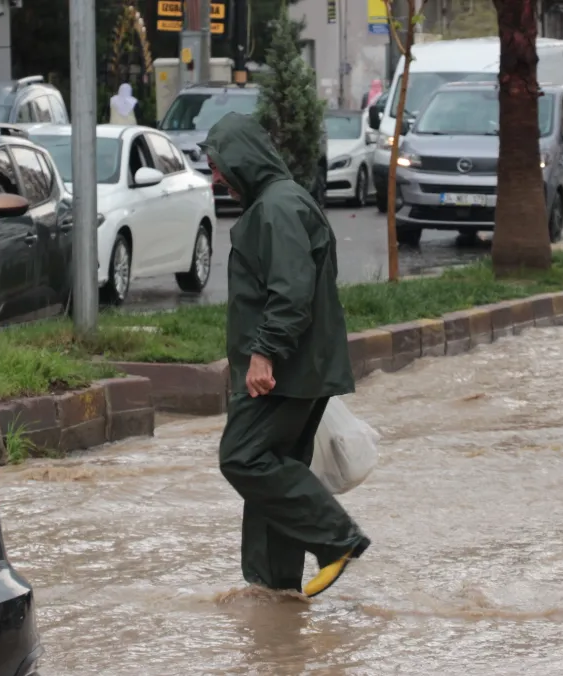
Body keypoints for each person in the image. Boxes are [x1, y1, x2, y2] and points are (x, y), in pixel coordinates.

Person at [201, 112, 370, 598]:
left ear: (241, 159)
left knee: (243, 458)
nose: (216, 178)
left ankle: (336, 538)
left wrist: (264, 355)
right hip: (295, 369)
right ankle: (274, 592)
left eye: (218, 166)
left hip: (283, 372)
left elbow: (291, 292)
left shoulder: (277, 208)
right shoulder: (278, 202)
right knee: (271, 470)